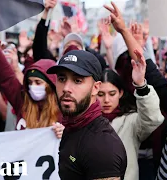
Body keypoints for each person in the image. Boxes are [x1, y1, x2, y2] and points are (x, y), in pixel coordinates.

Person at [47, 50, 127, 179]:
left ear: (96, 88)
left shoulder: (103, 148)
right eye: (61, 79)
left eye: (77, 81)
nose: (66, 88)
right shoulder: (72, 125)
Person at [98, 56, 164, 179]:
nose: (106, 100)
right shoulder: (85, 121)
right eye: (100, 94)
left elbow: (153, 119)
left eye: (112, 94)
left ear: (121, 93)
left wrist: (141, 86)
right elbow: (73, 158)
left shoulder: (131, 120)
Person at [0, 36, 64, 138]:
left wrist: (64, 133)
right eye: (30, 82)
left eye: (38, 82)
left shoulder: (64, 110)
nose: (33, 86)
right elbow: (4, 75)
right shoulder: (22, 101)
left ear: (51, 85)